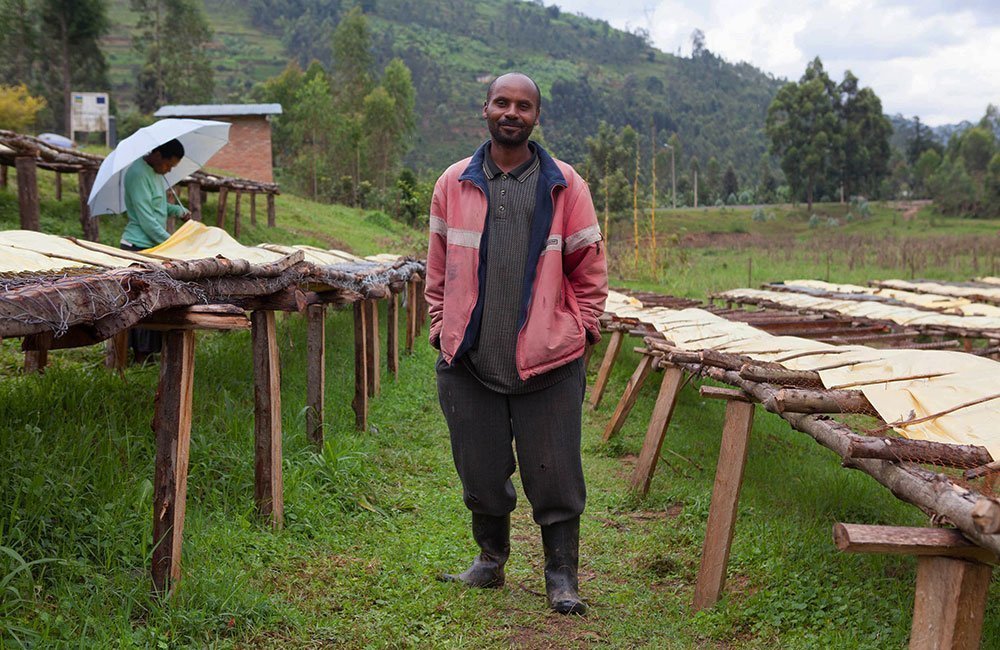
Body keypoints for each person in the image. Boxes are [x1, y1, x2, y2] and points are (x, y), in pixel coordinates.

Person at [425, 72, 608, 615]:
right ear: (484, 108)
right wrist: (441, 326)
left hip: (548, 360)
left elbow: (589, 271)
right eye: (502, 102)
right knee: (479, 469)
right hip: (471, 359)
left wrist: (584, 329)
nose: (512, 112)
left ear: (536, 117)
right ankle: (490, 560)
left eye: (523, 106)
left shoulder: (565, 184)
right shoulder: (453, 183)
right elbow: (437, 268)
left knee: (555, 472)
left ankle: (561, 575)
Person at [120, 138, 189, 362]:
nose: (168, 170)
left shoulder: (156, 175)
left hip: (154, 245)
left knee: (157, 298)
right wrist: (171, 243)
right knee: (143, 299)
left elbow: (158, 207)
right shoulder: (138, 174)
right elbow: (146, 220)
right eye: (169, 165)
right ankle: (140, 354)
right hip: (139, 246)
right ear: (158, 155)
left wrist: (177, 210)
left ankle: (149, 352)